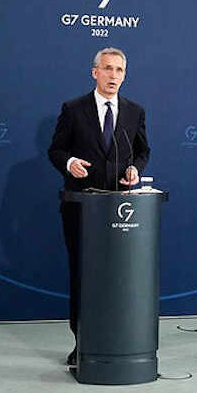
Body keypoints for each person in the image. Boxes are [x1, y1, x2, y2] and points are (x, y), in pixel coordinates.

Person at [47, 47, 150, 365]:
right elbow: (55, 150)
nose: (113, 76)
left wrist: (135, 170)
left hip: (120, 208)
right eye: (108, 69)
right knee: (84, 275)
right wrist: (70, 162)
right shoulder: (73, 108)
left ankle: (117, 340)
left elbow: (142, 151)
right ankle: (83, 342)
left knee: (118, 276)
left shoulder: (134, 111)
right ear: (95, 72)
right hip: (81, 209)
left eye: (119, 70)